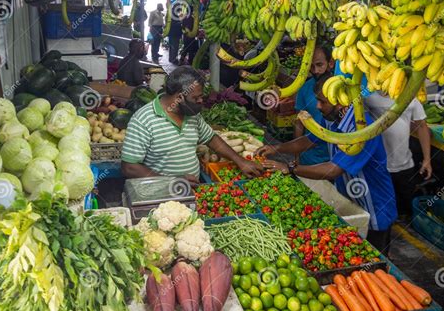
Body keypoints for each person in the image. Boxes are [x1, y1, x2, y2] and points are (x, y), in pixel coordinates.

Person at [256, 73, 397, 254]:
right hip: (350, 200)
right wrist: (277, 148)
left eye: (322, 102)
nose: (317, 106)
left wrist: (290, 168)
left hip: (375, 208)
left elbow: (332, 170)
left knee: (374, 265)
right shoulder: (332, 119)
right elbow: (309, 141)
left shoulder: (362, 130)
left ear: (340, 102)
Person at [121, 66, 263, 184]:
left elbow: (211, 139)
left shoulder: (191, 114)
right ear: (179, 97)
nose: (201, 101)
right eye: (196, 98)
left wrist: (240, 161)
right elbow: (129, 167)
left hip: (192, 189)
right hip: (160, 195)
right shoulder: (143, 120)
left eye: (201, 96)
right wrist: (171, 181)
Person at [365, 92, 432, 221]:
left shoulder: (409, 96)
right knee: (381, 211)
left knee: (404, 209)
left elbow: (422, 126)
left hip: (404, 165)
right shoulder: (367, 98)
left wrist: (427, 159)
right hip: (378, 167)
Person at [294, 45, 332, 166]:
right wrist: (297, 156)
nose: (315, 71)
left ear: (330, 63)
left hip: (335, 156)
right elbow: (299, 123)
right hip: (311, 156)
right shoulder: (305, 88)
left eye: (319, 65)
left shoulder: (341, 88)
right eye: (311, 66)